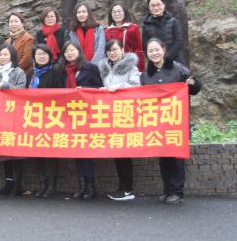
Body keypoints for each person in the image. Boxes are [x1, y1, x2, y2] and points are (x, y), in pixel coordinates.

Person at [141, 38, 201, 205]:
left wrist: (192, 83)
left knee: (176, 158)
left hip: (176, 121)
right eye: (150, 51)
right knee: (164, 158)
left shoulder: (178, 68)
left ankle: (177, 192)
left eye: (157, 49)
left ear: (163, 50)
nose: (154, 53)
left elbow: (195, 88)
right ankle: (167, 190)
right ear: (147, 54)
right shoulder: (145, 75)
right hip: (158, 123)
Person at [59, 40, 103, 199]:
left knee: (86, 152)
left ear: (79, 51)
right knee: (76, 151)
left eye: (72, 50)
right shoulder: (63, 70)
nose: (69, 53)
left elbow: (100, 88)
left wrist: (84, 90)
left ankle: (91, 187)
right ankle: (82, 185)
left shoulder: (90, 67)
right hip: (70, 115)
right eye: (66, 52)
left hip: (87, 115)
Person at [98, 39, 141, 201]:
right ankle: (122, 186)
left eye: (115, 49)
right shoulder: (104, 69)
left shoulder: (131, 67)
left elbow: (137, 86)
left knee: (124, 152)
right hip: (110, 114)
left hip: (126, 113)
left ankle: (128, 189)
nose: (112, 53)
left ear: (122, 50)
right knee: (116, 152)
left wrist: (120, 87)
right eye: (109, 50)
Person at [26, 44, 65, 198]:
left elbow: (61, 94)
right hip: (34, 118)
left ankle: (51, 185)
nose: (41, 56)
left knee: (50, 153)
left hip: (50, 118)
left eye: (44, 54)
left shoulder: (55, 72)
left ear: (49, 56)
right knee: (37, 153)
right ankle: (42, 184)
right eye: (38, 54)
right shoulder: (31, 74)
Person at [0, 44, 27, 196]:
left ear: (12, 55)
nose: (3, 57)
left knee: (17, 151)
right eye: (0, 55)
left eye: (5, 54)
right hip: (1, 115)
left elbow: (22, 90)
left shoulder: (19, 72)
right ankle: (8, 181)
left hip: (16, 115)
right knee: (4, 151)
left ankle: (18, 183)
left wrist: (6, 86)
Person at [142, 0, 185, 64]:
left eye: (158, 4)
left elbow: (178, 41)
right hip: (155, 61)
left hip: (175, 60)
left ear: (164, 5)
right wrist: (155, 58)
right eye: (152, 5)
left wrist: (166, 58)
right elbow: (145, 45)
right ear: (149, 7)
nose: (156, 8)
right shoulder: (146, 24)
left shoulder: (173, 21)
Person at [106, 3, 145, 71]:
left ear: (124, 13)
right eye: (114, 12)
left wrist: (140, 69)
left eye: (119, 11)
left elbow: (138, 49)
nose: (116, 14)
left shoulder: (132, 28)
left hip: (130, 65)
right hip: (113, 65)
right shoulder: (107, 30)